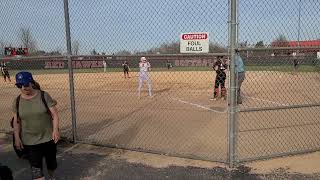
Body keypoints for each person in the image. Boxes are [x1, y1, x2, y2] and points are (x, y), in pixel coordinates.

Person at [12, 71, 60, 180]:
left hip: (48, 138)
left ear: (31, 83)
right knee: (36, 170)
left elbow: (55, 114)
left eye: (26, 84)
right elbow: (16, 121)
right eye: (20, 85)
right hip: (30, 141)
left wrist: (56, 130)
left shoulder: (43, 95)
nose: (23, 87)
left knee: (51, 164)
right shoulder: (17, 101)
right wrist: (17, 138)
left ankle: (52, 176)